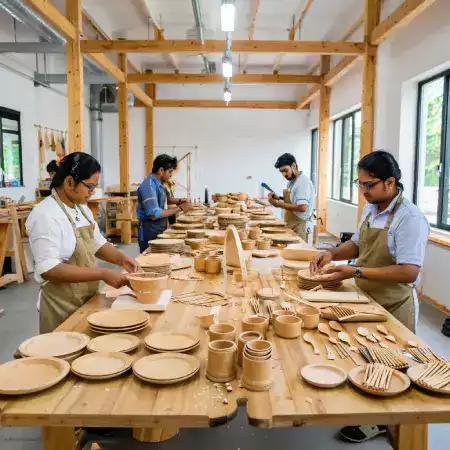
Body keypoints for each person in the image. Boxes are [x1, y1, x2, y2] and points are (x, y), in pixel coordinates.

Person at [310, 150, 430, 444]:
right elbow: (357, 245)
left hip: (394, 302)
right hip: (365, 296)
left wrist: (354, 272)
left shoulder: (409, 218)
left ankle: (388, 424)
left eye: (368, 185)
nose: (362, 191)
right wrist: (332, 254)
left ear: (389, 182)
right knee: (365, 355)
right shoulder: (372, 208)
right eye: (359, 183)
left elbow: (409, 272)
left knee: (395, 365)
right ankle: (368, 409)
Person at [27, 153, 140, 334]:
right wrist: (102, 273)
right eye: (90, 186)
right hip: (61, 305)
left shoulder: (81, 208)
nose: (92, 192)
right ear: (70, 182)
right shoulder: (46, 215)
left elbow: (97, 243)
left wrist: (122, 259)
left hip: (85, 297)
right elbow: (49, 269)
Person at [137, 154, 191, 253]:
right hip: (150, 229)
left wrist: (180, 200)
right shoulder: (149, 186)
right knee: (151, 262)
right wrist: (180, 208)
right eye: (170, 172)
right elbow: (154, 214)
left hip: (160, 226)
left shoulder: (159, 183)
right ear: (161, 170)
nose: (171, 175)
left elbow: (166, 199)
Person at [268, 153, 315, 241]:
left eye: (285, 170)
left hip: (300, 224)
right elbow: (295, 200)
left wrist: (278, 204)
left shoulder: (303, 182)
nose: (284, 174)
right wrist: (279, 198)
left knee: (299, 252)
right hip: (292, 222)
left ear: (293, 166)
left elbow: (302, 207)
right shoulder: (292, 181)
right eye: (281, 172)